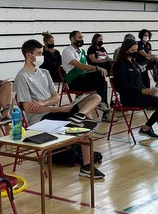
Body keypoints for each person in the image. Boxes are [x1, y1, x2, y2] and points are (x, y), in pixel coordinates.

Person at [14, 39, 104, 178]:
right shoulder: (22, 77)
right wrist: (57, 109)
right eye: (38, 53)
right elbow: (28, 108)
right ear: (28, 55)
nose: (41, 56)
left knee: (96, 97)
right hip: (40, 119)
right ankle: (86, 166)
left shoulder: (44, 72)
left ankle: (79, 114)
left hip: (54, 109)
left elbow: (56, 97)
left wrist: (44, 103)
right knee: (86, 122)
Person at [112, 38, 158, 149]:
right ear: (126, 51)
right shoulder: (119, 65)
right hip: (129, 97)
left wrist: (148, 91)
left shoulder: (134, 64)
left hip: (139, 94)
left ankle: (146, 128)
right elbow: (122, 87)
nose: (135, 53)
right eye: (133, 51)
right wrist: (141, 91)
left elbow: (140, 82)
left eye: (136, 50)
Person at [61, 30, 111, 121]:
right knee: (99, 74)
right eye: (79, 37)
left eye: (82, 37)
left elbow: (86, 68)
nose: (82, 39)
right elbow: (80, 66)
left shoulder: (82, 51)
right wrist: (97, 68)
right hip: (74, 81)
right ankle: (103, 106)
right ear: (72, 39)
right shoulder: (67, 51)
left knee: (102, 79)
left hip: (84, 78)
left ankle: (103, 105)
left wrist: (97, 70)